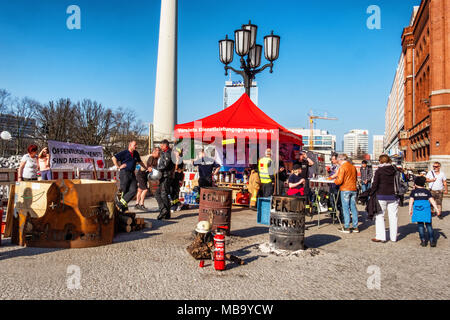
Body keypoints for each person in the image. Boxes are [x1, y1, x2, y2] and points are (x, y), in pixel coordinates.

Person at [370, 154, 399, 243]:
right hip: (393, 195)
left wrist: (371, 192)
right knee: (393, 217)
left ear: (380, 161)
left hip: (381, 195)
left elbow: (375, 184)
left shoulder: (379, 170)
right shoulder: (394, 169)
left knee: (380, 216)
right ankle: (393, 238)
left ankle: (381, 236)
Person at [112, 140, 147, 212]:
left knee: (133, 190)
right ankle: (123, 208)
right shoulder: (124, 153)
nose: (136, 146)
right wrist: (118, 166)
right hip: (124, 173)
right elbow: (113, 158)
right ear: (130, 145)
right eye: (135, 145)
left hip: (132, 173)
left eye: (136, 145)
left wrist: (146, 168)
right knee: (124, 190)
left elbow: (140, 162)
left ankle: (119, 204)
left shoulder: (136, 153)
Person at [409, 176, 441, 247]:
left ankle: (423, 240)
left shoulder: (413, 192)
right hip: (426, 210)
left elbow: (411, 201)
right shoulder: (427, 191)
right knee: (429, 225)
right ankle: (432, 241)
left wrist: (410, 210)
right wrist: (436, 209)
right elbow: (432, 200)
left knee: (420, 226)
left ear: (415, 184)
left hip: (418, 210)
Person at [334, 154, 359, 233]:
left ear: (340, 160)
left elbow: (339, 181)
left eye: (338, 161)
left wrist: (335, 181)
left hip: (345, 189)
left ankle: (347, 227)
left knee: (345, 208)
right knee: (353, 207)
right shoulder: (353, 167)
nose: (338, 162)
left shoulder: (342, 167)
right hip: (353, 189)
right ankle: (355, 227)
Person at [155, 139, 174, 220]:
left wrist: (156, 169)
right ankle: (166, 212)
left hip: (166, 176)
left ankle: (164, 210)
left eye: (161, 145)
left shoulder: (168, 153)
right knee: (160, 194)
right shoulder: (165, 152)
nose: (160, 147)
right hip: (164, 176)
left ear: (165, 145)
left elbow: (165, 165)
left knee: (163, 194)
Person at [328, 153, 342, 218]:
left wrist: (331, 177)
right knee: (331, 201)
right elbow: (331, 174)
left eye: (333, 159)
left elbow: (337, 175)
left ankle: (342, 217)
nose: (332, 160)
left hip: (337, 186)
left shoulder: (340, 167)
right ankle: (333, 214)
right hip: (331, 186)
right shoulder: (332, 166)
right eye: (331, 159)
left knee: (338, 202)